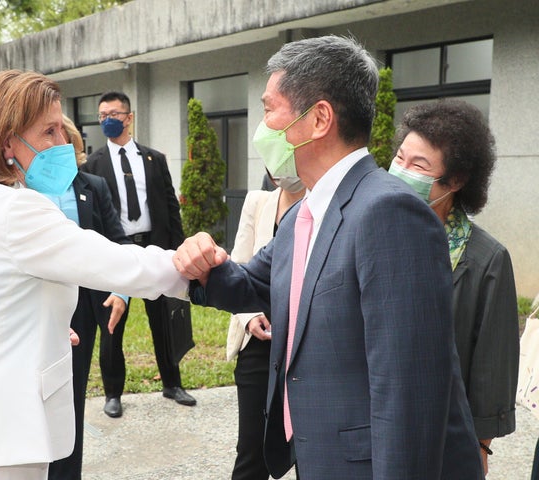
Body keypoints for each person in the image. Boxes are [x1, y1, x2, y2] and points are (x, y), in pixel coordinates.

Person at [173, 35, 483, 479]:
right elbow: (253, 283)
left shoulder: (389, 211)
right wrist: (194, 261)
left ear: (318, 118)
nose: (263, 127)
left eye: (269, 108)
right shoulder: (309, 209)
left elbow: (408, 392)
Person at [0, 69, 188, 480]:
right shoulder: (19, 208)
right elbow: (119, 264)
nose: (63, 145)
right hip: (3, 433)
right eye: (49, 132)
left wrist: (31, 324)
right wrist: (196, 269)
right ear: (7, 140)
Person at [388, 99, 519, 475]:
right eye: (400, 158)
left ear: (456, 180)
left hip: (444, 437)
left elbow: (491, 366)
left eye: (419, 165)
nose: (401, 171)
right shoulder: (376, 233)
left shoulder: (486, 259)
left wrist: (479, 445)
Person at [82, 91, 195, 416]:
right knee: (112, 323)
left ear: (129, 118)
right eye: (102, 115)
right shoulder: (94, 163)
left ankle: (172, 383)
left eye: (113, 114)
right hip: (116, 252)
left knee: (163, 320)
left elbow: (170, 207)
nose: (107, 120)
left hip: (154, 247)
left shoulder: (154, 159)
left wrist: (178, 249)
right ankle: (113, 392)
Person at [48, 115, 131, 480]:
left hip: (82, 304)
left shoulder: (93, 185)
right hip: (39, 302)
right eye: (48, 137)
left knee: (71, 394)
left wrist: (121, 289)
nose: (57, 146)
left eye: (64, 138)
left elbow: (118, 241)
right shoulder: (22, 191)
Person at [226, 174, 304, 480]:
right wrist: (249, 315)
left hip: (306, 342)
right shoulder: (258, 202)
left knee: (312, 453)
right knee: (251, 451)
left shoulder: (327, 204)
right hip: (261, 343)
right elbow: (239, 267)